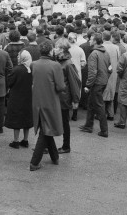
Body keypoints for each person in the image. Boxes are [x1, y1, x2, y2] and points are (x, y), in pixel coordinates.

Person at [29, 41, 66, 171]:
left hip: (37, 100)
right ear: (50, 52)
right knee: (46, 131)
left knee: (46, 128)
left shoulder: (34, 64)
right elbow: (60, 86)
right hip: (50, 101)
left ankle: (54, 157)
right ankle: (34, 162)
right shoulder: (55, 65)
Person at [79, 32, 110, 138]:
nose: (89, 40)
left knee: (99, 106)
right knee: (92, 104)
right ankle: (88, 125)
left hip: (97, 83)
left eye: (91, 39)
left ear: (95, 41)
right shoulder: (105, 52)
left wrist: (88, 85)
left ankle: (104, 130)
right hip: (102, 81)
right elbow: (109, 68)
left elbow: (93, 72)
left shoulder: (94, 54)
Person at [54, 39, 81, 154]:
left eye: (57, 47)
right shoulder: (60, 61)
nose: (54, 49)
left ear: (62, 49)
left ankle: (66, 146)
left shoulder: (68, 64)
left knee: (64, 122)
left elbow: (75, 82)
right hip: (58, 96)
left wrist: (76, 100)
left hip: (64, 98)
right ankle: (46, 145)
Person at [5, 50, 34, 149]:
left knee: (16, 118)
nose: (17, 58)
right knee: (27, 118)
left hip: (16, 96)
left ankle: (16, 141)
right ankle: (25, 140)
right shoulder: (31, 69)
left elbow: (10, 82)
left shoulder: (16, 69)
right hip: (28, 96)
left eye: (19, 56)